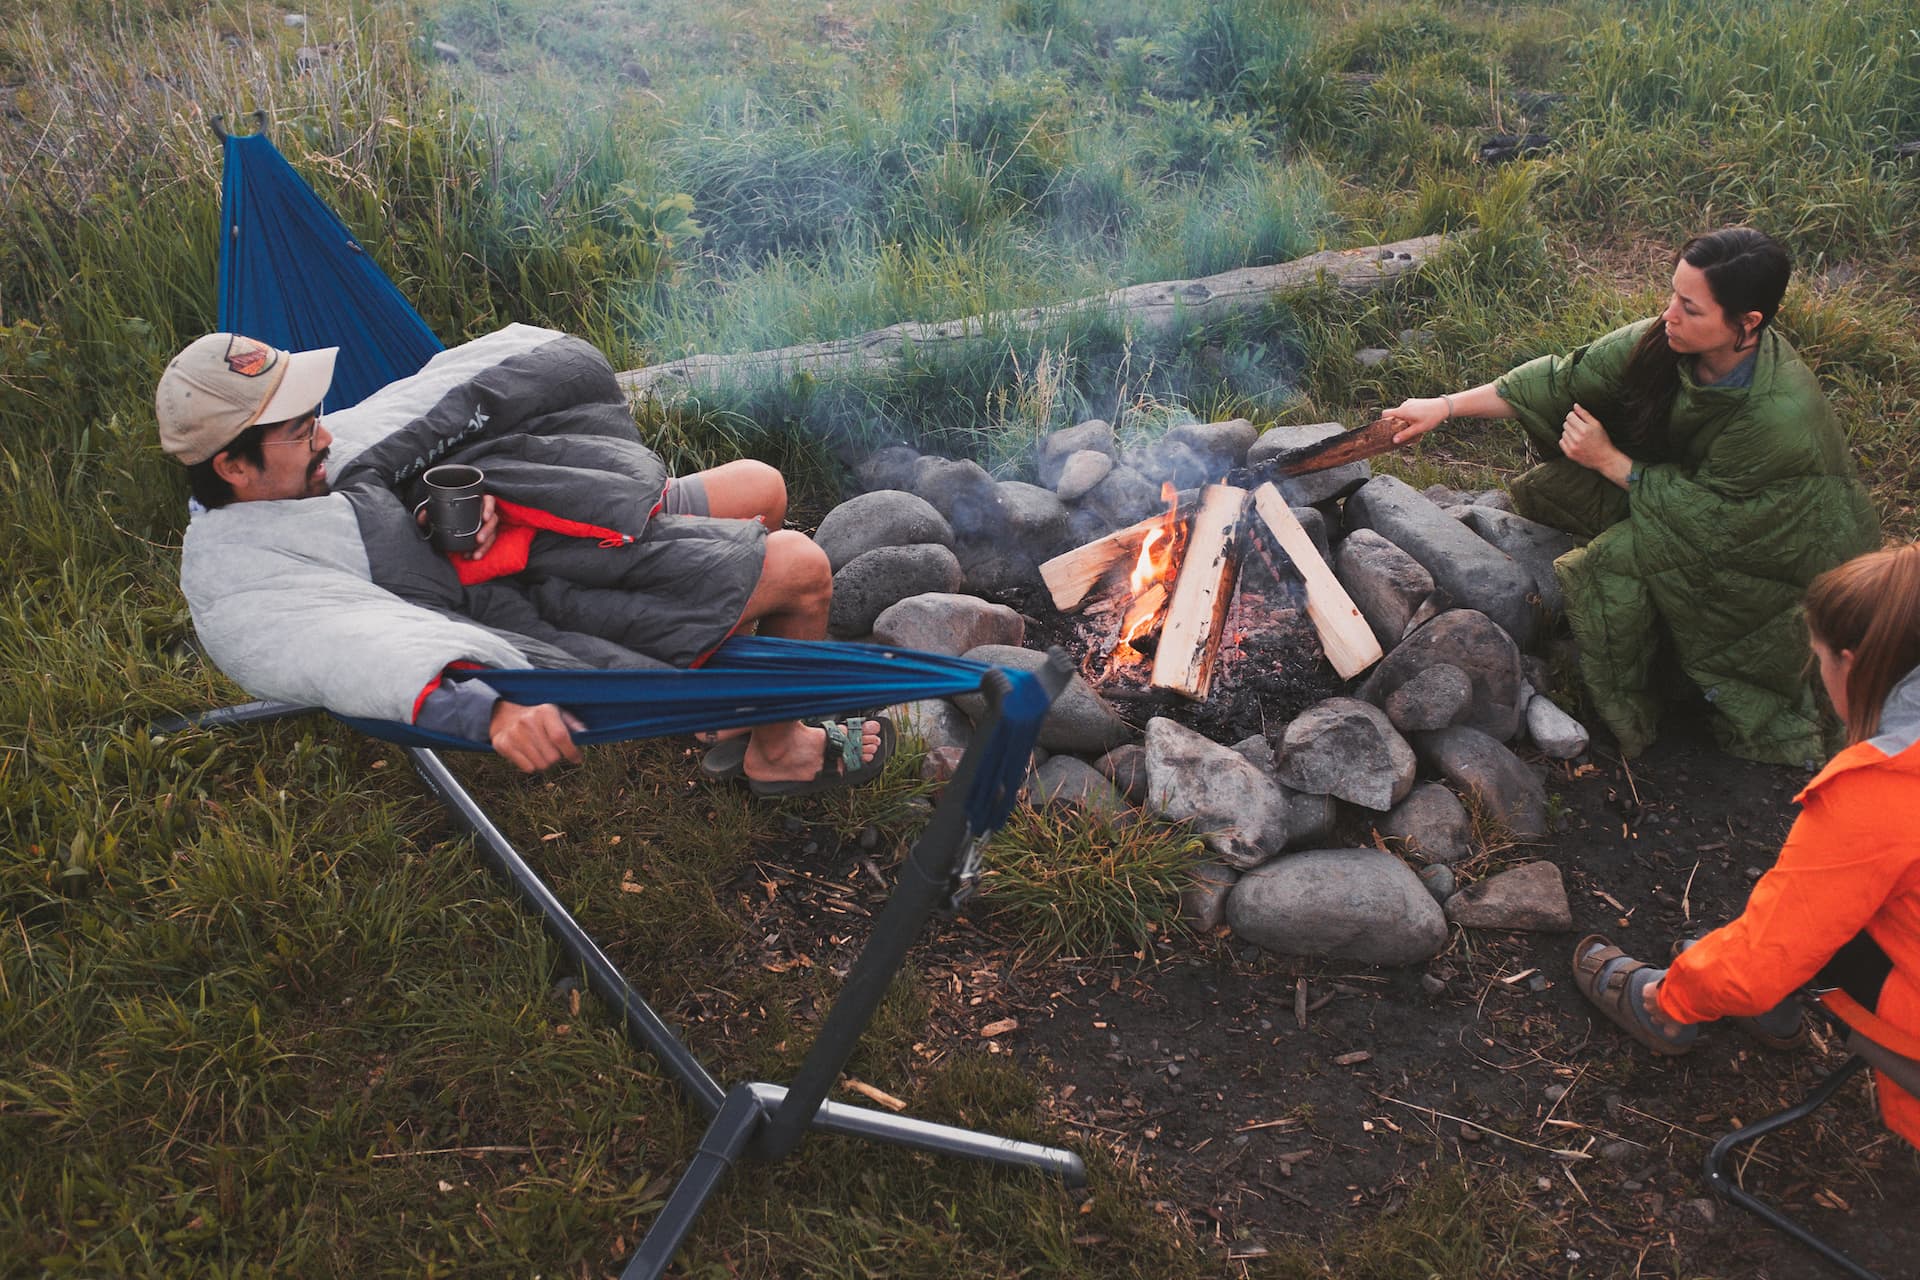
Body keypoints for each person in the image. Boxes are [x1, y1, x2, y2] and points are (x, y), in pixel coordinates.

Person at [157, 329, 887, 789]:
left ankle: (728, 695)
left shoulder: (303, 467)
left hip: (538, 545)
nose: (323, 436)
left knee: (763, 487)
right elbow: (359, 651)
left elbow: (435, 402)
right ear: (233, 467)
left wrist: (448, 513)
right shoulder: (245, 578)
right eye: (299, 430)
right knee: (801, 567)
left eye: (317, 419)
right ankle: (777, 749)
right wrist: (490, 707)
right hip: (526, 627)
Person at [1385, 227, 1879, 764]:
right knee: (1558, 489)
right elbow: (1558, 380)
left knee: (1608, 565)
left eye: (1690, 307)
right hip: (1691, 501)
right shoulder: (1663, 342)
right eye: (1672, 294)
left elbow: (1722, 522)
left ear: (1747, 324)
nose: (1669, 314)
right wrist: (1444, 406)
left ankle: (1636, 712)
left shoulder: (1777, 414)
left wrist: (1612, 463)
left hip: (1784, 554)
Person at [1570, 542, 1920, 1147]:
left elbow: (1767, 957)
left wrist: (1675, 994)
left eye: (1819, 662)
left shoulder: (1877, 793)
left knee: (1796, 928)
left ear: (1853, 663)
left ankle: (1664, 1007)